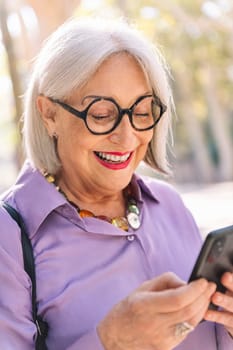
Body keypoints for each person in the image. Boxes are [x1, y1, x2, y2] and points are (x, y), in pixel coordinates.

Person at [0, 17, 232, 350]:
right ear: (49, 114)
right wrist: (111, 342)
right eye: (101, 113)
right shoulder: (10, 236)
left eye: (141, 111)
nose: (127, 136)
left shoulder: (169, 204)